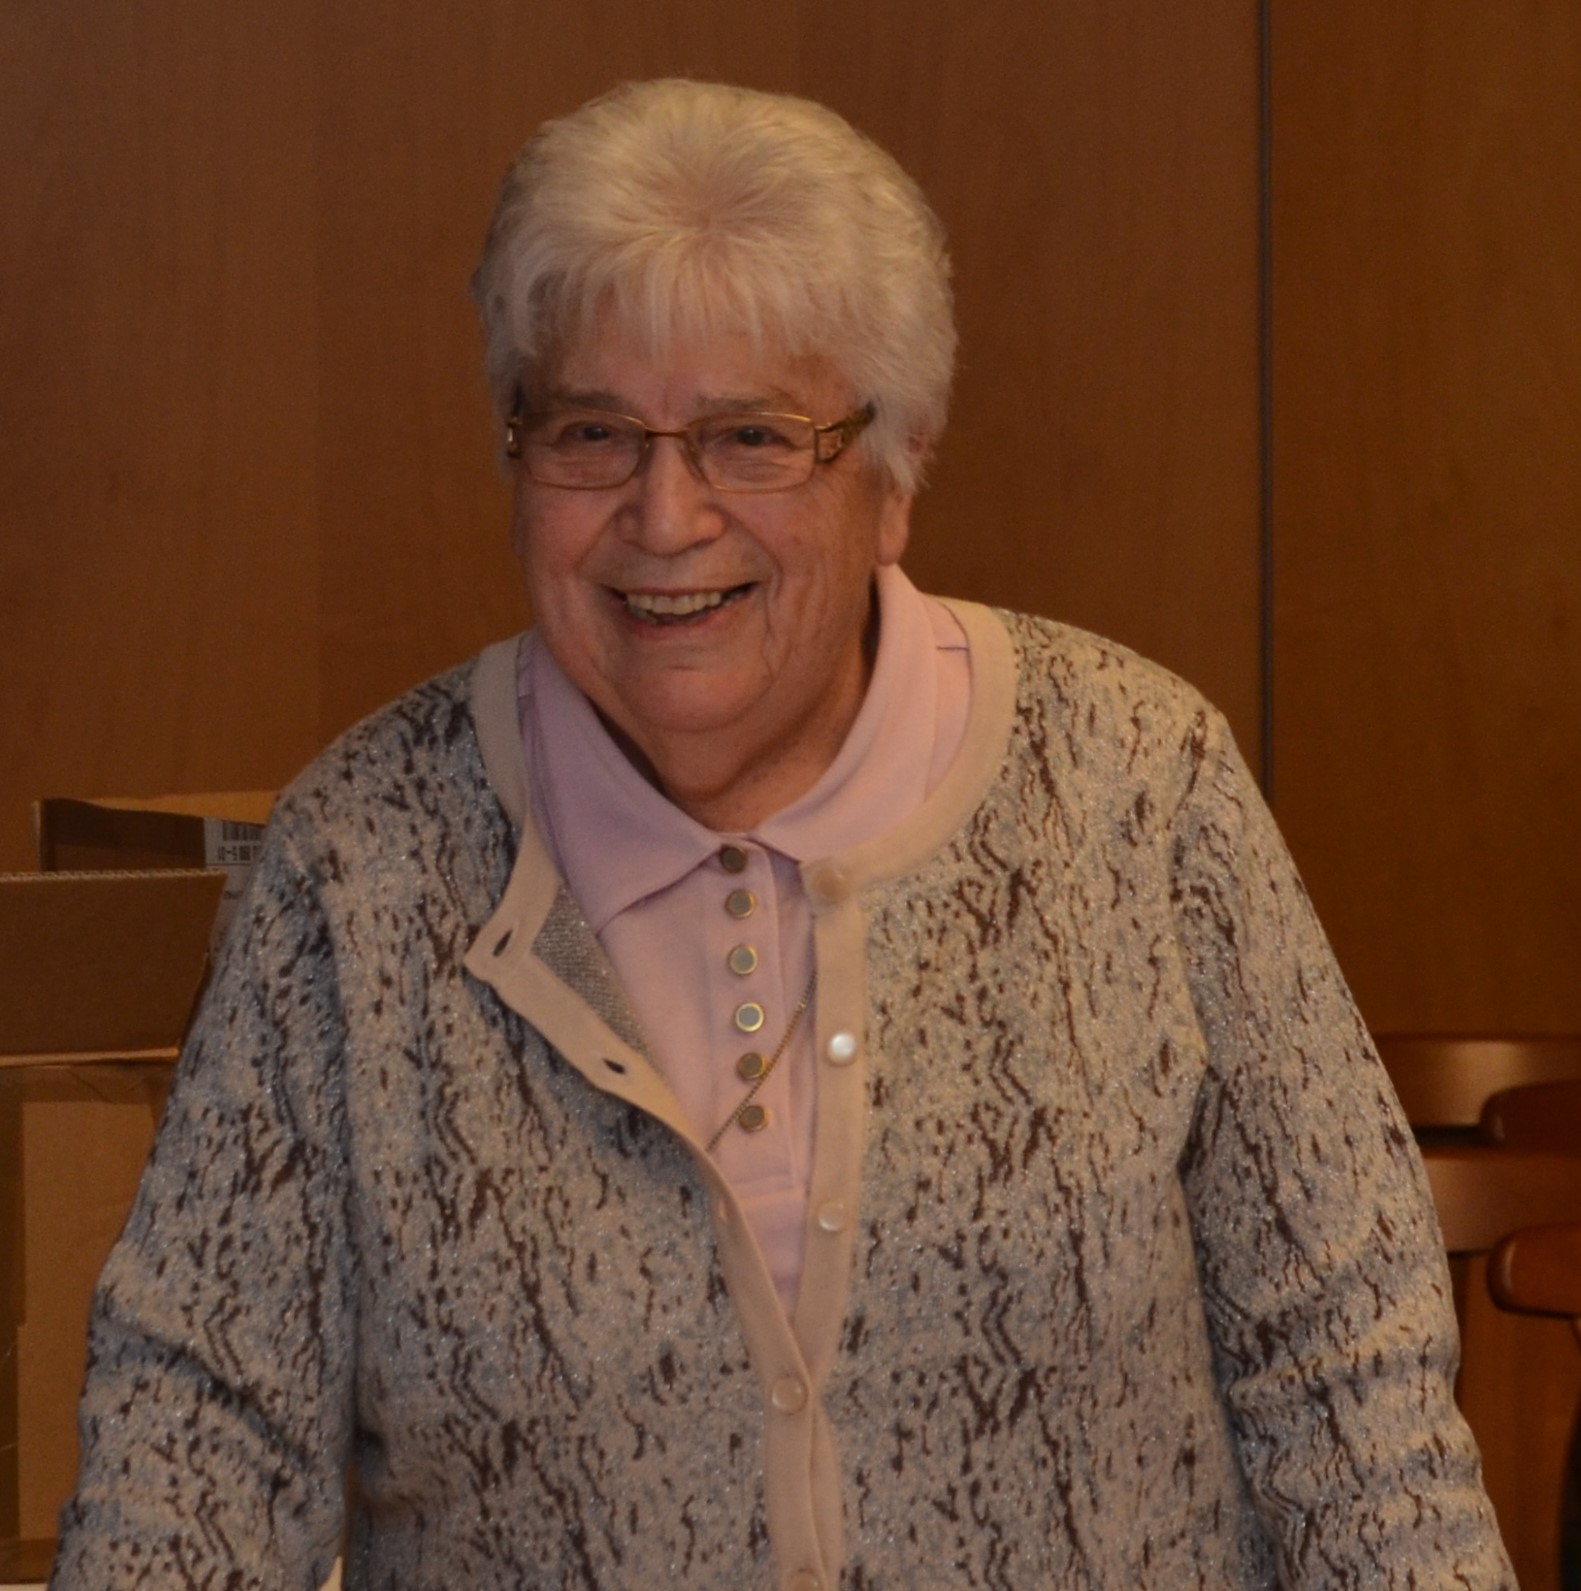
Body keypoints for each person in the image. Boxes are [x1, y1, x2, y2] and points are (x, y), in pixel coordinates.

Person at [51, 78, 1512, 1590]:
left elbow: (1352, 1385)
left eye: (751, 437)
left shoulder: (1140, 781)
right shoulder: (358, 857)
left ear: (895, 469)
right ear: (516, 454)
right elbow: (196, 1450)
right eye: (593, 433)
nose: (665, 517)